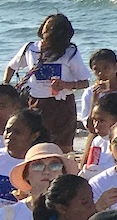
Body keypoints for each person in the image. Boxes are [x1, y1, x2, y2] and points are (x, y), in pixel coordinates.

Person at [5, 14, 91, 152]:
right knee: (36, 144)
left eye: (50, 31)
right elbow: (11, 67)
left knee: (63, 146)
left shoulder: (70, 52)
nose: (45, 33)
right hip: (35, 103)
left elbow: (85, 82)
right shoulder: (31, 48)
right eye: (45, 27)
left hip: (62, 104)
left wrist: (66, 85)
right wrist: (6, 88)